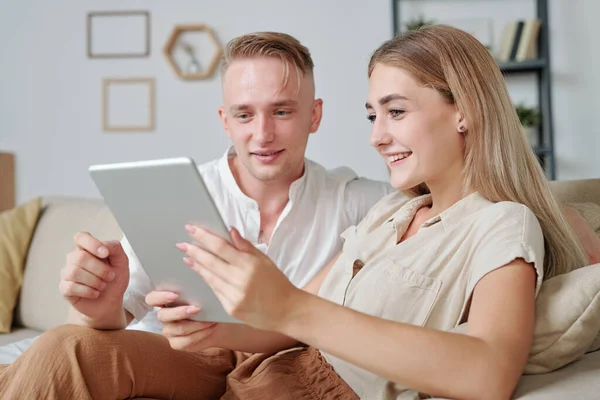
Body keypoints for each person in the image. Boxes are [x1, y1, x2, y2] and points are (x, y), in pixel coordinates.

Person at [0, 26, 596, 400]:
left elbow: (488, 373)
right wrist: (207, 329)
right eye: (372, 115)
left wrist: (288, 304)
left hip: (309, 385)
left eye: (394, 111)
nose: (376, 136)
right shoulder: (388, 216)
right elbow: (285, 325)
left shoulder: (500, 223)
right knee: (65, 348)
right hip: (255, 367)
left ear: (463, 111)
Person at [0, 31, 393, 362]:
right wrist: (98, 304)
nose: (262, 133)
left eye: (282, 112)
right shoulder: (174, 193)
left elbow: (436, 203)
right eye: (244, 115)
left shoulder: (359, 203)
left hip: (253, 371)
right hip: (156, 357)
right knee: (53, 350)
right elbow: (107, 320)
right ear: (225, 121)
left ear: (314, 115)